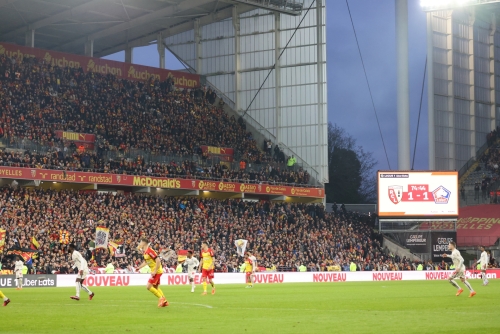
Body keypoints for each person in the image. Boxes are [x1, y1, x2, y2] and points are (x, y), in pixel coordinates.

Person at [136, 237, 168, 307]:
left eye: (141, 242)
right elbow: (146, 262)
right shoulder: (145, 252)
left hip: (157, 271)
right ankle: (165, 301)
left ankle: (161, 298)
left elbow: (158, 260)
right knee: (155, 287)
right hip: (156, 271)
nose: (140, 244)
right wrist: (139, 267)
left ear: (144, 243)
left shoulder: (150, 251)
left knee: (148, 286)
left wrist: (155, 271)